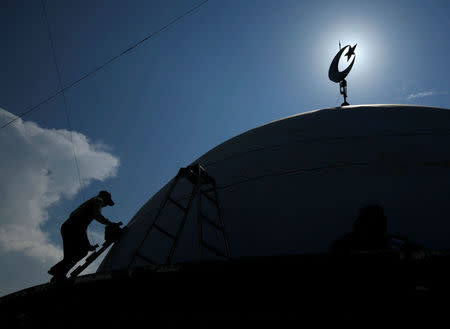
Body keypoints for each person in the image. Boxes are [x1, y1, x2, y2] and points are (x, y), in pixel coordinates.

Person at [48, 190, 117, 281]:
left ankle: (58, 274)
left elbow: (82, 228)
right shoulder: (98, 200)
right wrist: (110, 223)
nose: (105, 205)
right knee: (80, 252)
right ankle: (58, 272)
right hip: (73, 227)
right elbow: (97, 215)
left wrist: (87, 244)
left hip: (69, 227)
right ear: (104, 197)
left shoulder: (91, 202)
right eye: (107, 202)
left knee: (73, 254)